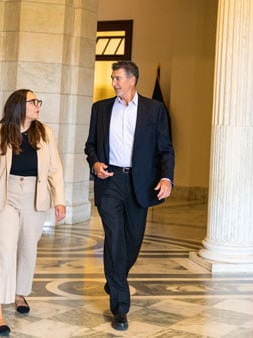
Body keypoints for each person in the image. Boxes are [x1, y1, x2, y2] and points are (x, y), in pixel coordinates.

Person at [84, 61, 175, 331]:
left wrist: (166, 177)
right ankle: (120, 307)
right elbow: (90, 145)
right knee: (114, 238)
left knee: (132, 241)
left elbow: (165, 149)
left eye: (118, 78)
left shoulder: (154, 109)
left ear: (133, 79)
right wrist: (95, 163)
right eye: (113, 78)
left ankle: (115, 277)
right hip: (110, 181)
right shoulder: (99, 109)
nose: (114, 83)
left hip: (140, 183)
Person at [0, 89, 66, 335]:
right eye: (33, 102)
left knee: (28, 248)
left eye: (38, 102)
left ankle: (19, 293)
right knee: (4, 251)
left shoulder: (45, 133)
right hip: (4, 195)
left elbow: (55, 169)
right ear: (18, 106)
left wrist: (60, 201)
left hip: (35, 195)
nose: (38, 105)